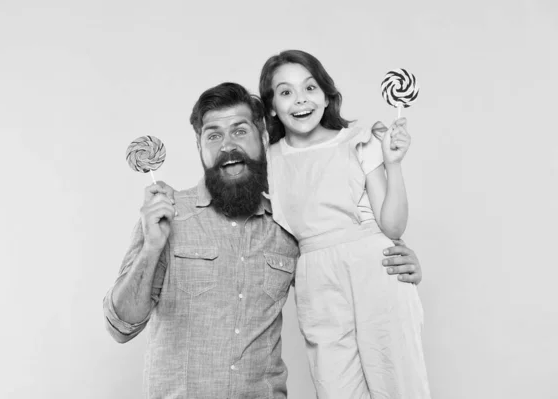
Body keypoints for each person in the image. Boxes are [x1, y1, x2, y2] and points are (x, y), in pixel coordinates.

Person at [103, 82, 424, 398]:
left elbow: (340, 280)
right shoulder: (167, 217)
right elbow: (121, 326)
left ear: (262, 137)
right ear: (199, 146)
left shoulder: (291, 223)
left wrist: (390, 261)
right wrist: (151, 248)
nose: (227, 145)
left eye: (240, 131)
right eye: (213, 135)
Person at [258, 50, 431, 398]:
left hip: (376, 267)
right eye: (286, 91)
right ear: (272, 106)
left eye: (310, 87)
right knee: (336, 387)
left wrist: (393, 163)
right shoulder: (268, 162)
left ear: (325, 95)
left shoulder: (358, 141)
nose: (301, 99)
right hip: (315, 281)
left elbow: (393, 226)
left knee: (397, 378)